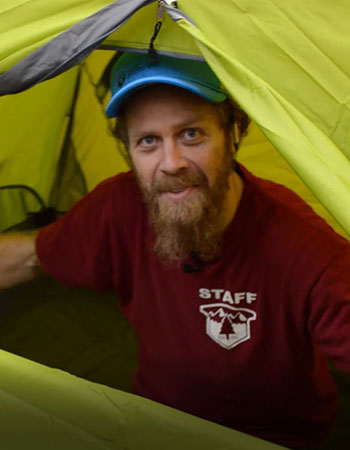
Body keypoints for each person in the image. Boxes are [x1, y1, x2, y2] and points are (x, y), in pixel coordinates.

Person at [0, 52, 349, 450]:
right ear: (128, 150)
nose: (172, 163)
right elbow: (29, 255)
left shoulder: (306, 249)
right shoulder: (119, 208)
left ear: (233, 131)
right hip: (154, 424)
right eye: (148, 141)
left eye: (191, 134)